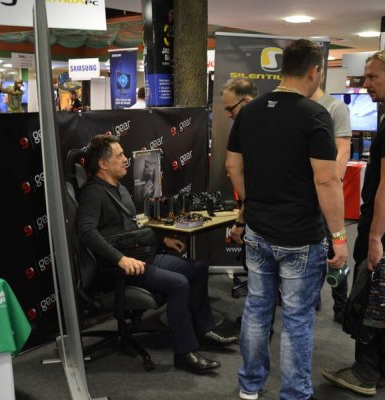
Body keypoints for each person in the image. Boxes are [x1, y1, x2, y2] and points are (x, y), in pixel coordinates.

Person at [225, 39, 348, 400]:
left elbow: (233, 166)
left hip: (258, 230)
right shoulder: (315, 115)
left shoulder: (249, 112)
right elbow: (327, 180)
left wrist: (251, 203)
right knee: (296, 319)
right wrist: (339, 237)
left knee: (257, 308)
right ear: (314, 71)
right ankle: (294, 394)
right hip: (300, 237)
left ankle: (249, 386)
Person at [76, 134, 238, 374]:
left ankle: (202, 330)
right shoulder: (93, 193)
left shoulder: (119, 189)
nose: (125, 159)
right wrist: (121, 259)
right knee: (179, 283)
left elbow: (131, 228)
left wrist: (163, 239)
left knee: (197, 269)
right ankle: (184, 353)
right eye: (119, 155)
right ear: (103, 164)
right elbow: (86, 231)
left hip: (141, 257)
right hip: (118, 269)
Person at [322, 49, 385, 396]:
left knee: (371, 298)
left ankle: (365, 373)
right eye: (365, 76)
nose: (365, 84)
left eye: (372, 77)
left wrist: (376, 238)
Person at [310, 76, 352, 322]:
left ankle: (341, 305)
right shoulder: (297, 107)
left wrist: (332, 185)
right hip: (303, 194)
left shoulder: (335, 107)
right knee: (310, 249)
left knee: (336, 248)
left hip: (325, 191)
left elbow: (343, 150)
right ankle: (312, 296)